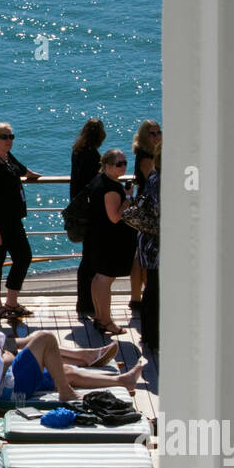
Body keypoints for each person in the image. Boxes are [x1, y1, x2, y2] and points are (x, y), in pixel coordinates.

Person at [0, 299, 143, 405]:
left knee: (63, 370)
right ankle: (65, 392)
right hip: (8, 390)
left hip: (7, 378)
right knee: (44, 338)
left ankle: (123, 381)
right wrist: (0, 350)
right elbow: (2, 359)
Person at [0, 122, 42, 322]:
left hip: (12, 220)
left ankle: (11, 302)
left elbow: (19, 169)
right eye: (5, 137)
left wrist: (32, 174)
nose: (9, 140)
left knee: (23, 257)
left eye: (11, 136)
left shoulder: (6, 157)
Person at [87, 149, 138, 335]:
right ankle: (106, 321)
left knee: (99, 278)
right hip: (110, 240)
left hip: (99, 236)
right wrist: (128, 198)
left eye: (124, 163)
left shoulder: (101, 181)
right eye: (119, 164)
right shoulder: (111, 189)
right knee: (105, 279)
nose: (123, 166)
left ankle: (101, 318)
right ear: (107, 166)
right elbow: (115, 217)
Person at [69, 118, 106, 316]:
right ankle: (87, 302)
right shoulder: (93, 156)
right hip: (91, 213)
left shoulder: (77, 151)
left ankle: (83, 302)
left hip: (80, 209)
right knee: (91, 260)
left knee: (86, 259)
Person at [129, 120, 162, 309]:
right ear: (144, 136)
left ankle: (137, 297)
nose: (157, 136)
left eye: (158, 132)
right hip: (148, 211)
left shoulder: (147, 154)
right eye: (152, 133)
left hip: (144, 208)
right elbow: (153, 185)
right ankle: (144, 296)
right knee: (145, 257)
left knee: (139, 255)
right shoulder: (148, 158)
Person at [136, 146, 161, 351]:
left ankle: (148, 334)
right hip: (157, 241)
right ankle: (154, 336)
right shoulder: (162, 181)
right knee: (156, 288)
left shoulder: (154, 176)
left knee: (152, 287)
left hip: (148, 238)